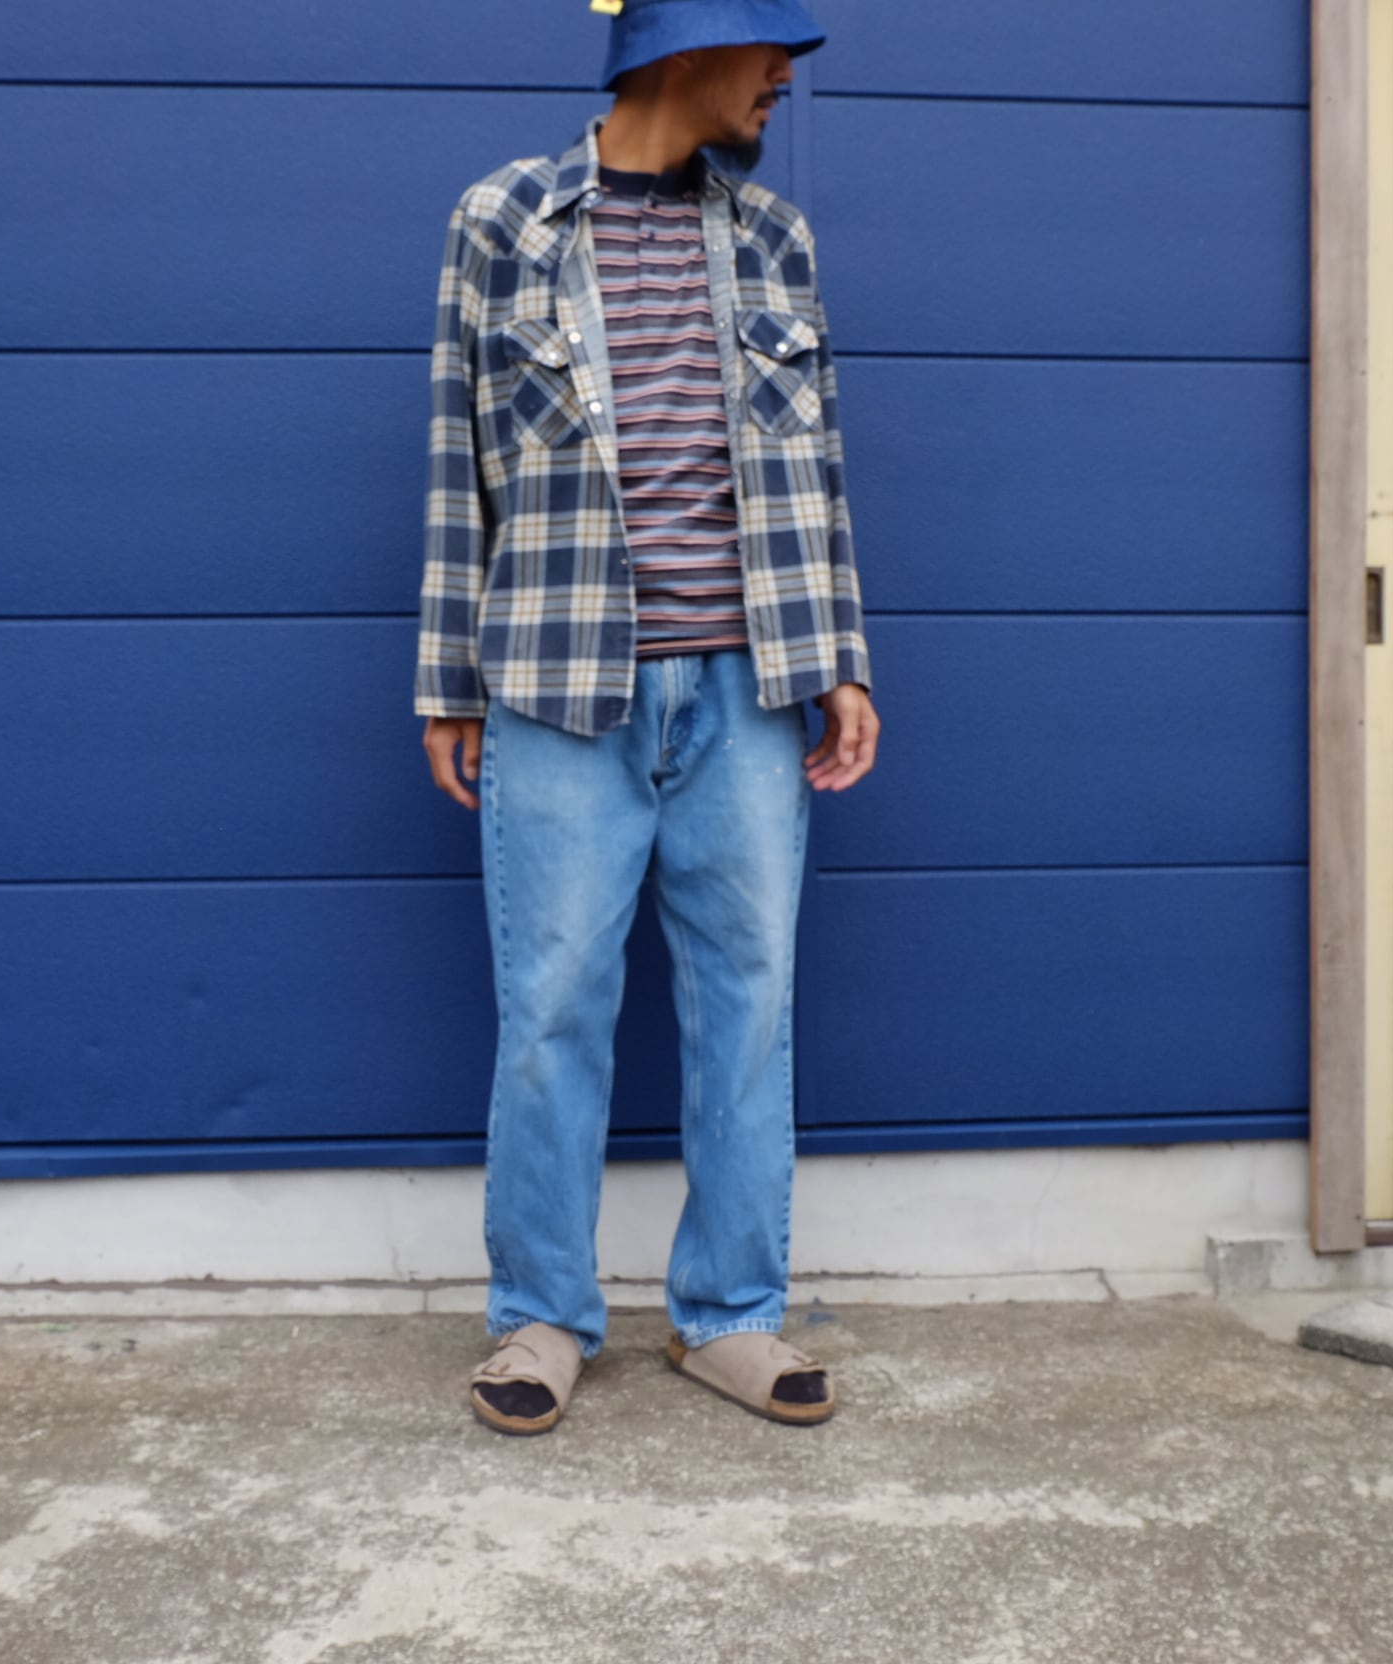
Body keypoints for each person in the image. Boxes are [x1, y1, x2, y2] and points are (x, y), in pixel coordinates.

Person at [414, 0, 878, 1435]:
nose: (785, 73)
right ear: (681, 50)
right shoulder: (501, 221)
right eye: (766, 44)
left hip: (750, 686)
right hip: (560, 684)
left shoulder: (776, 239)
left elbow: (817, 472)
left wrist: (841, 659)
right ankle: (541, 1318)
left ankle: (730, 1314)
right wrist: (447, 681)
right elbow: (456, 463)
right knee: (554, 1003)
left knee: (749, 1003)